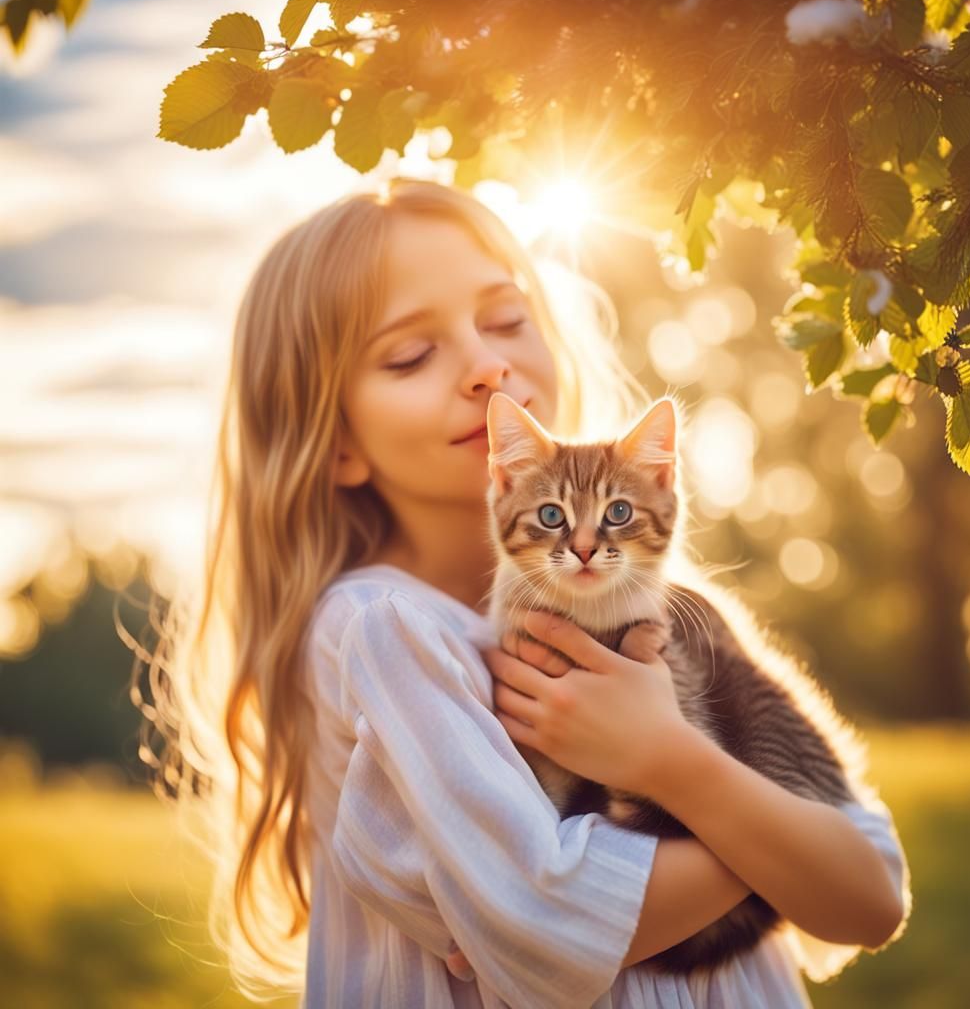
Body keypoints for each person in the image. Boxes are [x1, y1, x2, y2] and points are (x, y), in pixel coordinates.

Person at [137, 177, 910, 1008]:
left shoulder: (679, 619)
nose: (487, 366)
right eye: (410, 354)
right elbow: (548, 933)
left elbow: (872, 893)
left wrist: (667, 760)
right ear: (334, 448)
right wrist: (768, 840)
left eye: (506, 319)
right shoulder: (385, 630)